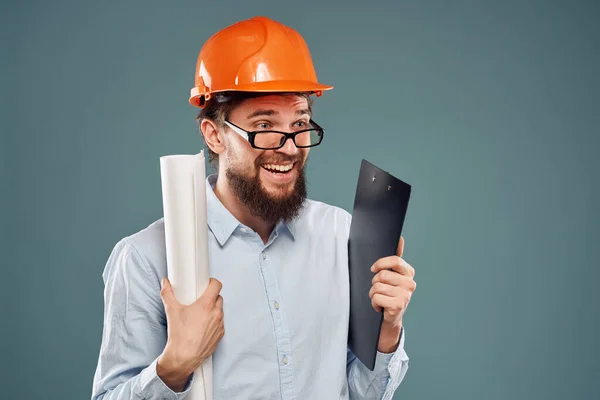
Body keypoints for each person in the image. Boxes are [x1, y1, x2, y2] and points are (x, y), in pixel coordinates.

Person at [91, 16, 416, 400]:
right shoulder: (147, 258)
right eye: (265, 126)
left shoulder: (338, 233)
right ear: (214, 135)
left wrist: (388, 329)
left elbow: (362, 394)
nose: (291, 147)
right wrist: (174, 366)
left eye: (300, 124)